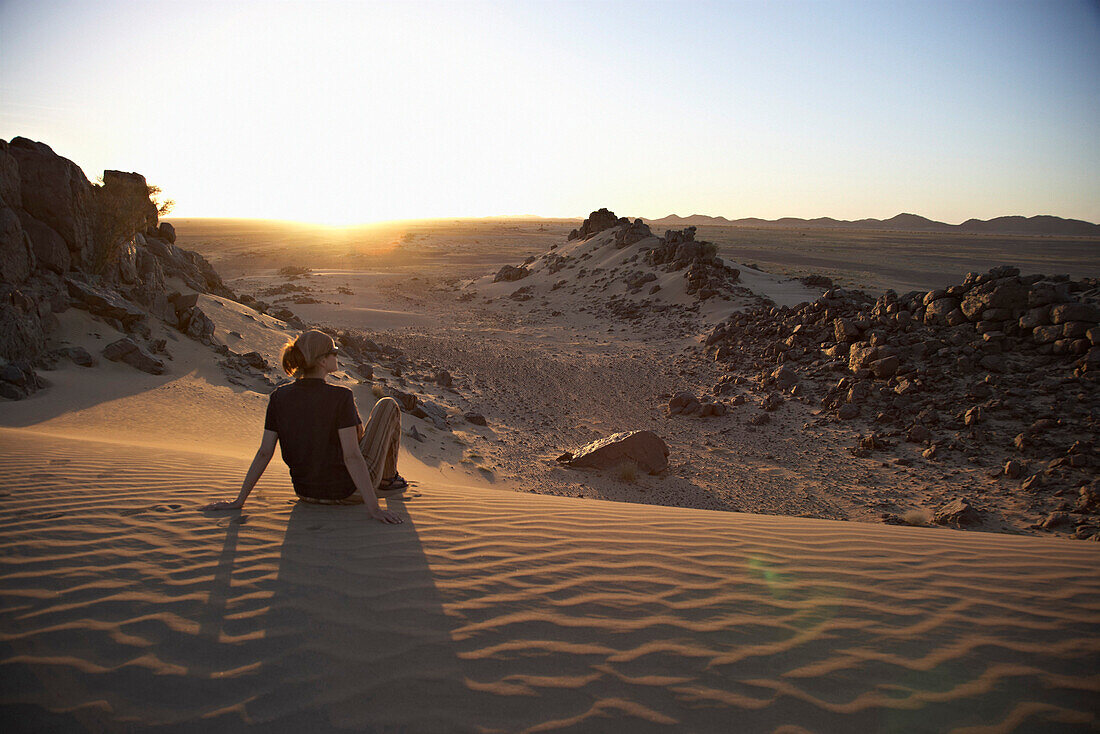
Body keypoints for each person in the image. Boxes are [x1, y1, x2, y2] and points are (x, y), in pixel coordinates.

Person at [203, 329, 405, 524]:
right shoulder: (341, 396)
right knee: (387, 405)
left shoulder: (278, 397)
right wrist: (374, 509)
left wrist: (239, 501)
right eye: (333, 351)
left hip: (305, 493)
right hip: (349, 492)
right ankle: (387, 479)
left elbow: (265, 452)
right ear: (322, 361)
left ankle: (384, 480)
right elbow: (351, 456)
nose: (337, 355)